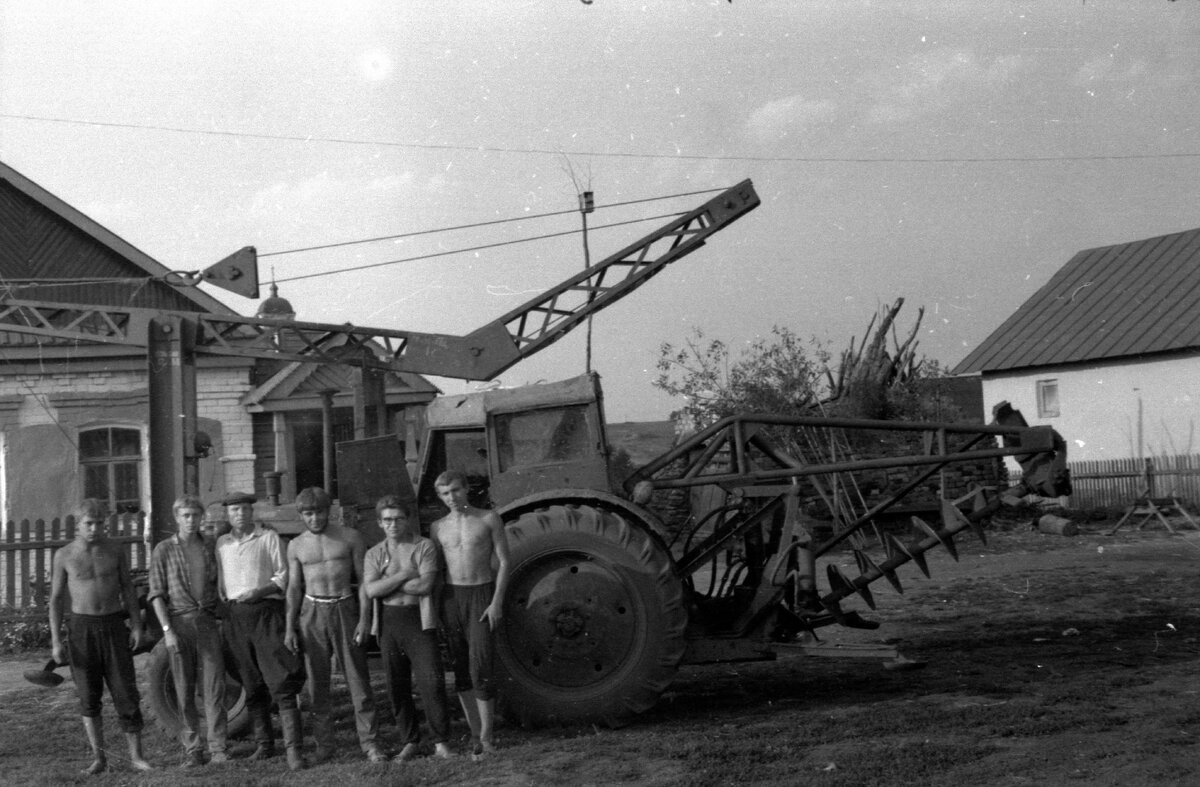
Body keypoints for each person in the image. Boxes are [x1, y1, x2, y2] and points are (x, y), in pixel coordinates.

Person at [48, 499, 153, 775]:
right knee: (88, 695)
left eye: (100, 523)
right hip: (81, 629)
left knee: (126, 693)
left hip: (114, 626)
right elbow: (56, 600)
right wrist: (57, 641)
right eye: (89, 524)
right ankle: (99, 758)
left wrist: (138, 626)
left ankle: (136, 756)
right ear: (78, 525)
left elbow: (129, 589)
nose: (95, 528)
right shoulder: (65, 555)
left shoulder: (115, 550)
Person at [284, 487, 385, 764]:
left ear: (329, 511)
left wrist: (364, 619)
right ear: (301, 515)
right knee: (317, 684)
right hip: (311, 611)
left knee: (358, 680)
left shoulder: (350, 537)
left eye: (319, 512)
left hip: (344, 606)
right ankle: (325, 746)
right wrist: (290, 627)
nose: (314, 518)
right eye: (308, 514)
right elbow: (293, 588)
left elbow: (364, 580)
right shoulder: (296, 545)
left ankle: (370, 743)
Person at [215, 491, 306, 771]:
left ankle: (294, 751)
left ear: (251, 512)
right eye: (234, 511)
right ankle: (264, 744)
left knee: (280, 680)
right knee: (250, 682)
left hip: (266, 614)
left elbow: (283, 576)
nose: (239, 514)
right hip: (237, 618)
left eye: (243, 509)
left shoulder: (268, 538)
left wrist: (260, 591)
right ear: (228, 515)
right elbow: (221, 580)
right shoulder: (222, 543)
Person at [363, 495, 454, 762]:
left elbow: (425, 586)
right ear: (380, 523)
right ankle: (410, 741)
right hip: (390, 622)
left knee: (432, 682)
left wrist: (386, 581)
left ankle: (441, 742)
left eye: (399, 518)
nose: (393, 524)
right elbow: (370, 589)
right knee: (397, 686)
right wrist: (404, 575)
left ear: (407, 519)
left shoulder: (424, 546)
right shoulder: (375, 553)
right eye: (388, 520)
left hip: (419, 620)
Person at [430, 470, 510, 759]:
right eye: (445, 493)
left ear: (466, 489)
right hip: (452, 598)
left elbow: (503, 562)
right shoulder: (437, 527)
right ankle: (476, 734)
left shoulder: (488, 518)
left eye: (455, 490)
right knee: (461, 668)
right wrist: (437, 610)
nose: (452, 497)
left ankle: (488, 737)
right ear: (440, 497)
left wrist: (496, 601)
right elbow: (437, 572)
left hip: (480, 595)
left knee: (481, 666)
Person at [148, 494, 228, 768]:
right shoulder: (164, 550)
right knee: (183, 689)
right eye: (186, 516)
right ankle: (194, 749)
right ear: (177, 518)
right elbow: (156, 594)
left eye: (195, 515)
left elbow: (219, 584)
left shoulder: (209, 546)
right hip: (179, 623)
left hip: (206, 621)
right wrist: (168, 630)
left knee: (214, 686)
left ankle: (218, 748)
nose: (191, 521)